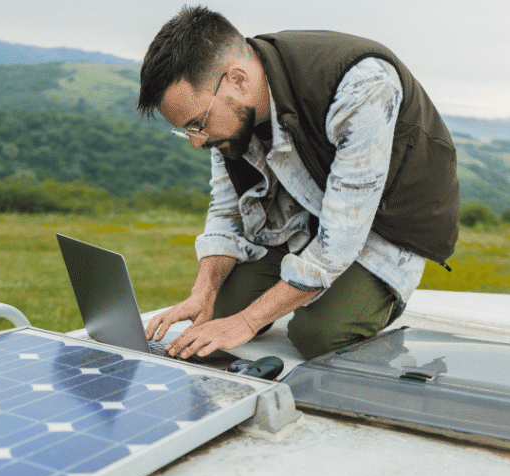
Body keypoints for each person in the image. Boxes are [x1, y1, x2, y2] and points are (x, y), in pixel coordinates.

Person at [136, 6, 460, 361]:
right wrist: (204, 290)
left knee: (317, 335)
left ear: (238, 80)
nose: (196, 141)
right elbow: (226, 209)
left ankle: (382, 300)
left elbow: (341, 239)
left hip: (384, 228)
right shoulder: (227, 118)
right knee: (218, 309)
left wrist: (247, 321)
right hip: (303, 218)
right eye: (187, 130)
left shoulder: (361, 84)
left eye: (198, 123)